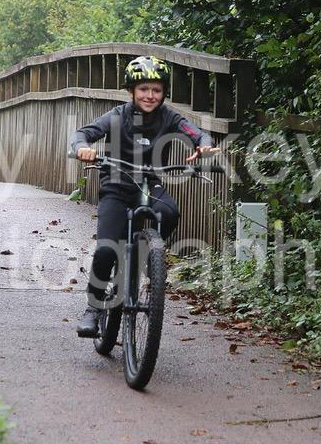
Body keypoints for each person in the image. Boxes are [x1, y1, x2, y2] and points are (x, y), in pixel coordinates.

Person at [70, 55, 221, 337]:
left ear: (164, 92)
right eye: (143, 89)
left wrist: (204, 145)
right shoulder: (118, 116)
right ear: (131, 91)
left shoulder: (169, 117)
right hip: (117, 184)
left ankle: (147, 255)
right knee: (106, 249)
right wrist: (82, 148)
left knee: (169, 212)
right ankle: (94, 308)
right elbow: (84, 133)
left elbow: (197, 133)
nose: (150, 96)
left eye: (156, 90)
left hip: (150, 184)